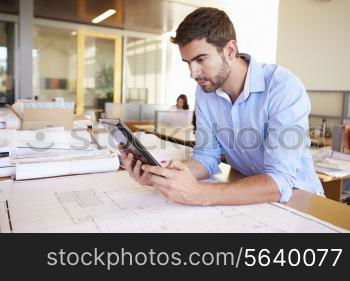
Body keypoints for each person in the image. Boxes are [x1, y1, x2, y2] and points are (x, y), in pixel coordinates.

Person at [120, 7, 324, 206]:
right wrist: (161, 175)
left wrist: (199, 193)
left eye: (200, 59)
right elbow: (206, 158)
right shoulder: (206, 92)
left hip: (299, 200)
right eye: (187, 62)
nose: (193, 72)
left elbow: (279, 182)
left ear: (230, 50)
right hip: (250, 197)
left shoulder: (282, 87)